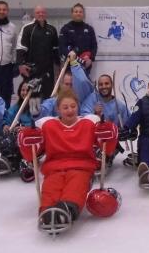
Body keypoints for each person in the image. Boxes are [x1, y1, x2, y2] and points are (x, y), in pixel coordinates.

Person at [16, 89, 119, 234]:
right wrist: (27, 142)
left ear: (78, 106)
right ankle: (47, 212)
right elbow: (32, 154)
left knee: (76, 185)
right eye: (65, 107)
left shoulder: (89, 122)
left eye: (73, 106)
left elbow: (106, 150)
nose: (70, 110)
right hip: (54, 168)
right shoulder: (47, 125)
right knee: (50, 187)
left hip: (81, 168)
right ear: (58, 109)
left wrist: (109, 134)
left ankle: (67, 210)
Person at [80, 72, 131, 165]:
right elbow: (83, 117)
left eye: (106, 83)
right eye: (100, 84)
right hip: (92, 140)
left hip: (110, 141)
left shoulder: (120, 106)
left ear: (111, 85)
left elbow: (128, 123)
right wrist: (95, 114)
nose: (104, 86)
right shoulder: (92, 99)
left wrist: (126, 131)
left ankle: (110, 155)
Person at [17, 5, 60, 99]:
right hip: (32, 70)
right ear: (34, 14)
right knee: (32, 96)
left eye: (43, 12)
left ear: (46, 14)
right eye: (38, 12)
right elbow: (21, 47)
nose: (41, 14)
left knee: (48, 95)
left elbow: (56, 49)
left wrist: (59, 65)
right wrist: (20, 64)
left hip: (48, 70)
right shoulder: (27, 28)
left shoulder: (51, 29)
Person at [38, 53, 94, 119]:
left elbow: (83, 81)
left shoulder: (83, 100)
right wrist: (36, 109)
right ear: (61, 85)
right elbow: (42, 112)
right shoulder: (54, 101)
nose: (69, 87)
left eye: (72, 84)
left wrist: (74, 63)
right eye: (67, 84)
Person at [59, 3, 98, 75]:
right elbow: (61, 46)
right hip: (70, 64)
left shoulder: (89, 29)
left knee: (83, 84)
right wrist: (69, 54)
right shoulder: (65, 28)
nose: (78, 14)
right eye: (76, 11)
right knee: (71, 85)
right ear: (72, 14)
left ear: (83, 14)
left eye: (80, 12)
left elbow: (94, 45)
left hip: (85, 64)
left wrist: (91, 58)